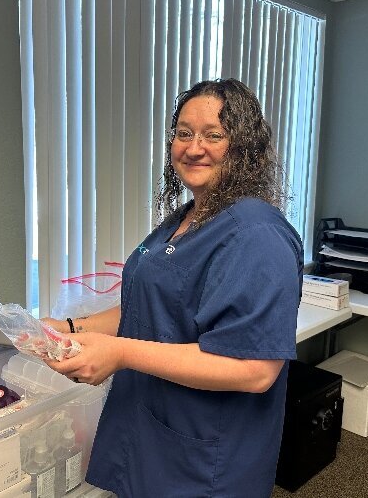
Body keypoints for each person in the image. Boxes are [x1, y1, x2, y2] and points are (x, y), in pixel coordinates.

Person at [42, 78, 303, 497]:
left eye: (214, 135)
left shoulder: (257, 235)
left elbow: (255, 370)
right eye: (183, 133)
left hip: (207, 453)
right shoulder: (185, 220)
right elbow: (148, 308)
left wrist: (121, 352)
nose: (193, 147)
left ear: (245, 149)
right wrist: (72, 328)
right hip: (152, 424)